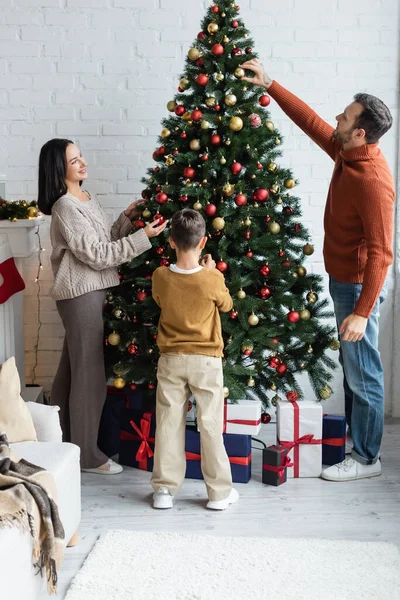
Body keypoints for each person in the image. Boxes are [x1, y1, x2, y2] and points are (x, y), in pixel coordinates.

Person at [242, 59, 395, 482]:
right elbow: (311, 121)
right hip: (343, 279)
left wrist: (362, 312)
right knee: (354, 369)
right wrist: (271, 84)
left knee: (364, 372)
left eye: (344, 118)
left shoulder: (373, 180)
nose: (336, 120)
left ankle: (366, 459)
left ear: (360, 131)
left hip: (360, 284)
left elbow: (383, 253)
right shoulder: (347, 152)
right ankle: (358, 447)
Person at [37, 138, 167, 474]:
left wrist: (126, 218)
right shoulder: (65, 206)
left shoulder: (85, 198)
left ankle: (61, 441)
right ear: (58, 169)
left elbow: (104, 241)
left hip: (93, 291)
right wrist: (144, 238)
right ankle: (88, 456)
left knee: (71, 369)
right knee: (89, 373)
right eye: (73, 161)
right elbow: (96, 256)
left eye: (80, 157)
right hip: (81, 295)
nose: (82, 163)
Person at [150, 209, 238, 510]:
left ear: (171, 242)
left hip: (171, 359)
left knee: (168, 422)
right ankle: (219, 494)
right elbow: (225, 304)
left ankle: (164, 490)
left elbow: (161, 300)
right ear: (203, 243)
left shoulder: (160, 276)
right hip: (206, 360)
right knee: (210, 423)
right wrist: (212, 272)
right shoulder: (212, 277)